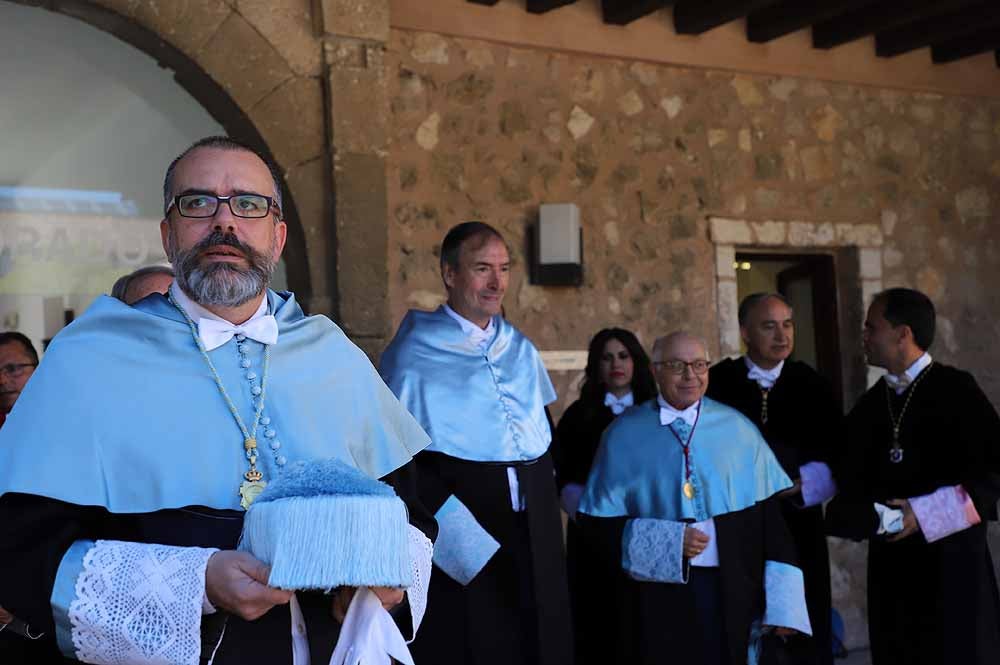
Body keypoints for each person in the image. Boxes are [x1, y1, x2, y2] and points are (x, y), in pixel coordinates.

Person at [0, 136, 436, 665]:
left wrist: (388, 581)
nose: (224, 222)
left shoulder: (331, 353)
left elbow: (411, 510)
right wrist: (198, 583)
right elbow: (18, 552)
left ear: (277, 237)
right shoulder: (87, 359)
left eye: (248, 204)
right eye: (198, 202)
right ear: (168, 234)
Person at [380, 221, 573, 665]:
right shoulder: (412, 354)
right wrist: (446, 523)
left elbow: (542, 431)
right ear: (450, 274)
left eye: (504, 269)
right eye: (482, 268)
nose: (496, 282)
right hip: (465, 511)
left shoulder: (520, 347)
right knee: (478, 633)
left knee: (544, 630)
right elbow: (402, 460)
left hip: (535, 517)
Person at [577, 331, 812, 665]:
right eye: (677, 366)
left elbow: (771, 523)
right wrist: (668, 542)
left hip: (732, 588)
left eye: (699, 365)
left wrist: (784, 606)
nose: (690, 375)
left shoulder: (738, 429)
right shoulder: (621, 435)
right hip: (654, 597)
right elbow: (594, 529)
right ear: (656, 370)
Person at [826, 288, 1000, 665]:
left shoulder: (957, 390)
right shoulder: (873, 404)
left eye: (872, 328)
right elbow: (844, 471)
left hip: (953, 570)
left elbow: (992, 474)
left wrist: (922, 513)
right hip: (894, 575)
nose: (865, 337)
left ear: (903, 334)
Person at [707, 293, 839, 665]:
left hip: (798, 522)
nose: (782, 335)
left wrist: (804, 484)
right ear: (745, 332)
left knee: (802, 618)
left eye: (788, 324)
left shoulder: (812, 384)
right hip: (737, 521)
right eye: (769, 326)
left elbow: (837, 451)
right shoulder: (719, 382)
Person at [551, 327, 657, 665]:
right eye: (607, 357)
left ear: (636, 362)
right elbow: (561, 472)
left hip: (646, 530)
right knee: (596, 617)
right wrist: (584, 509)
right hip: (592, 535)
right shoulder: (578, 416)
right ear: (595, 365)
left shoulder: (656, 412)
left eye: (623, 356)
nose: (616, 365)